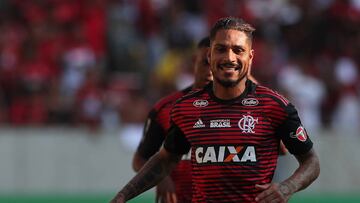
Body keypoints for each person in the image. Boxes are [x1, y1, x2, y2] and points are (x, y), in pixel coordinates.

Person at [111, 17, 320, 203]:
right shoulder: (187, 108)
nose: (229, 58)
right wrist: (123, 196)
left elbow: (311, 161)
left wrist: (287, 187)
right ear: (209, 55)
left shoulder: (274, 106)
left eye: (238, 50)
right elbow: (166, 159)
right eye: (221, 49)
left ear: (251, 57)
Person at [132, 37, 212, 203]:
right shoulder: (165, 108)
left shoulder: (237, 108)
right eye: (206, 62)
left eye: (218, 65)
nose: (210, 71)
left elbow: (278, 147)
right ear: (193, 61)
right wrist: (161, 178)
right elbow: (140, 160)